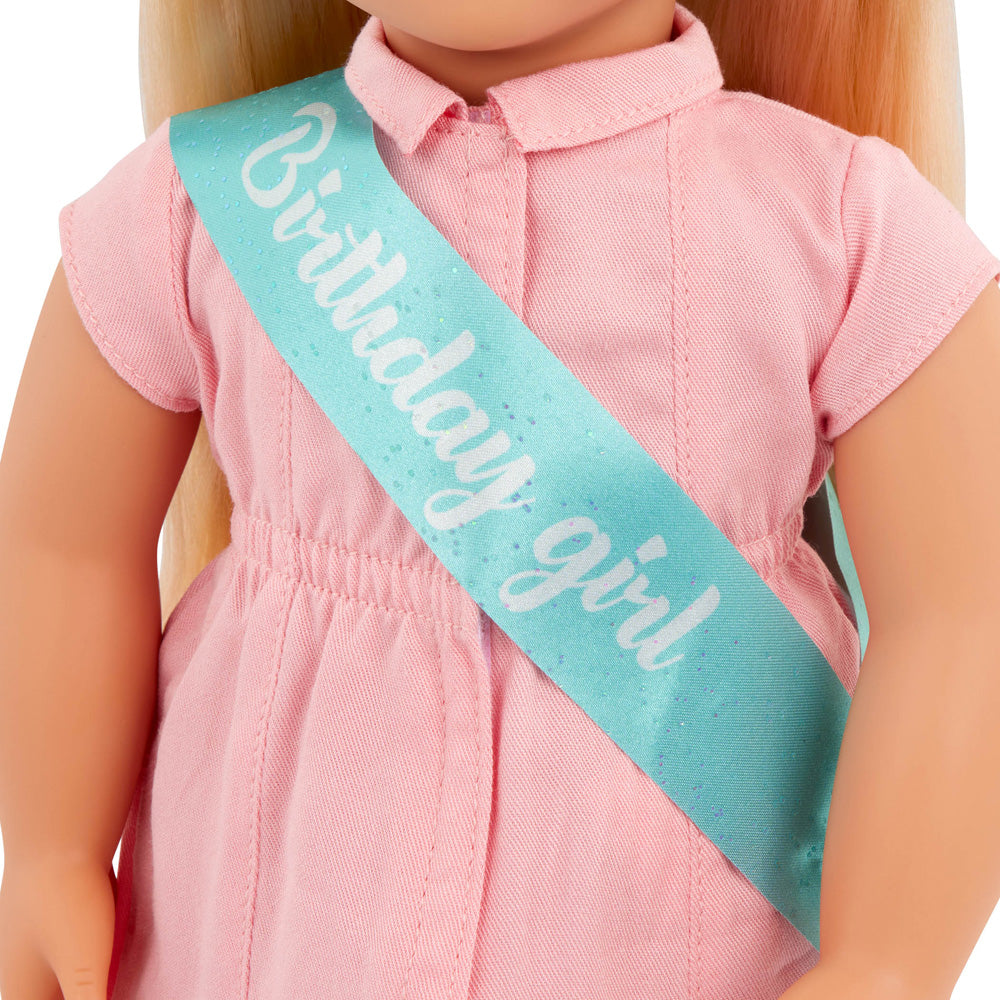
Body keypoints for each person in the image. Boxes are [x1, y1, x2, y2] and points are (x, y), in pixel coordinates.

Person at [2, 1, 1000, 998]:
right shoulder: (215, 196)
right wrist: (50, 848)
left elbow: (962, 619)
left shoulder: (836, 219)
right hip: (267, 930)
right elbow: (61, 549)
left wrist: (888, 958)